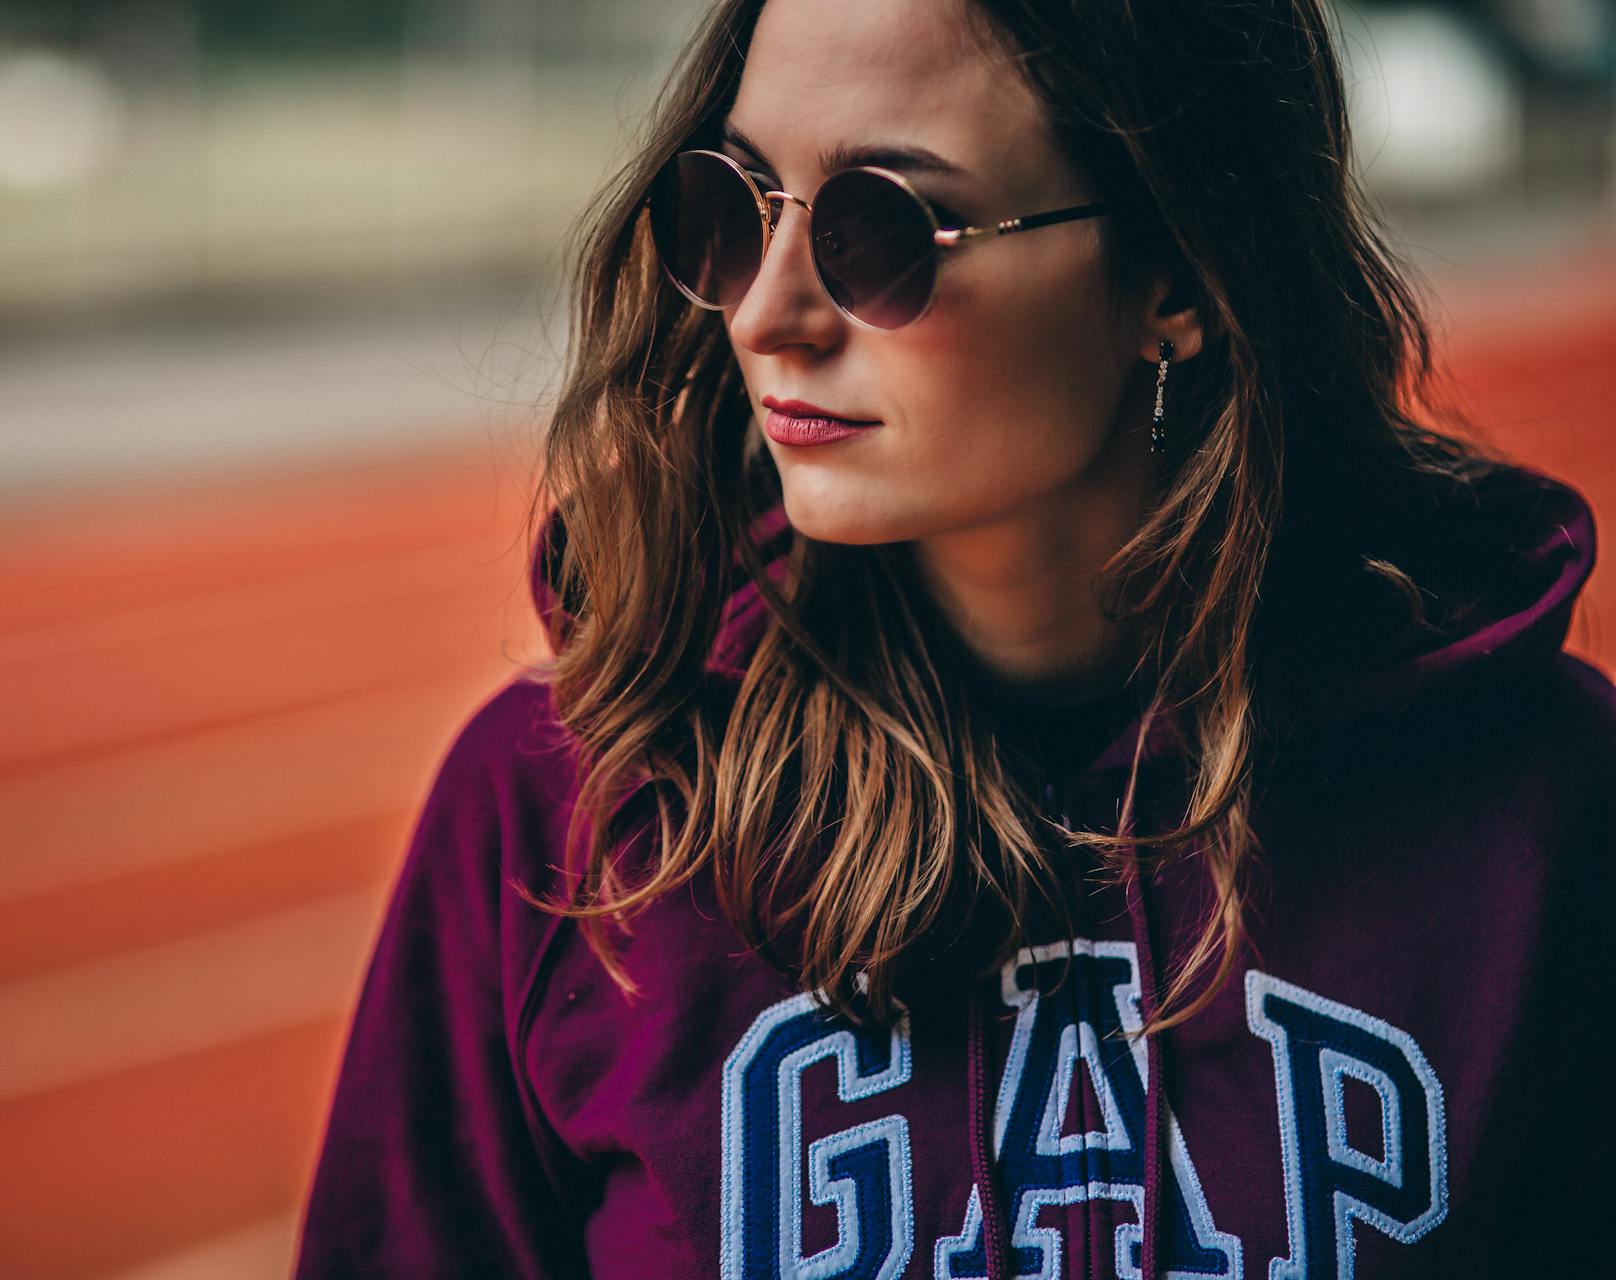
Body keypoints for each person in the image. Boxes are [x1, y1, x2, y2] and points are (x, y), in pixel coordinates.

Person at [291, 0, 1612, 1274]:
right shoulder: (568, 817)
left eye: (885, 229)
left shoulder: (1541, 806)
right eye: (733, 208)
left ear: (1178, 276)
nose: (767, 314)